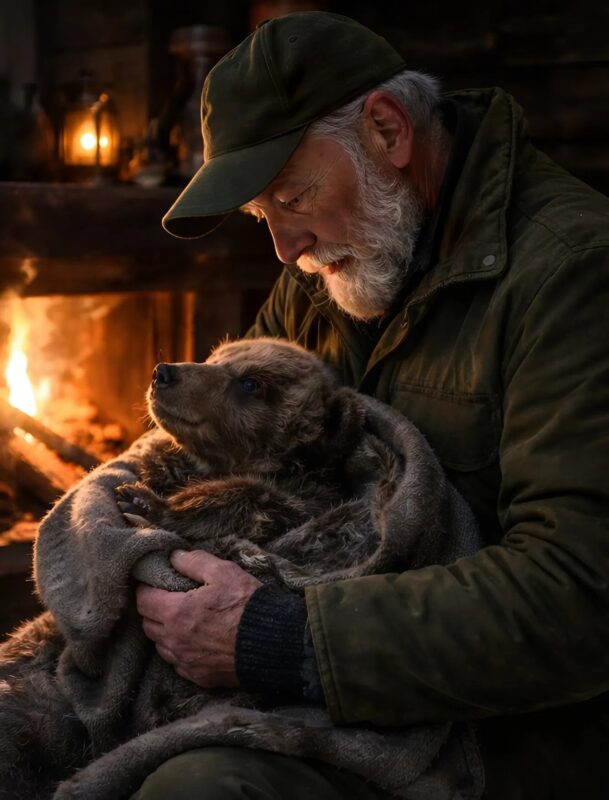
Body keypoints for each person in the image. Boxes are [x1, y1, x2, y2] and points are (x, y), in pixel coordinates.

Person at [132, 11, 609, 799]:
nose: (284, 250)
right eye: (262, 217)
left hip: (511, 728)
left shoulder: (573, 276)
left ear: (387, 131)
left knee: (199, 786)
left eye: (292, 195)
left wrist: (283, 640)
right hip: (336, 693)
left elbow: (582, 595)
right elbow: (214, 442)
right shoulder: (326, 273)